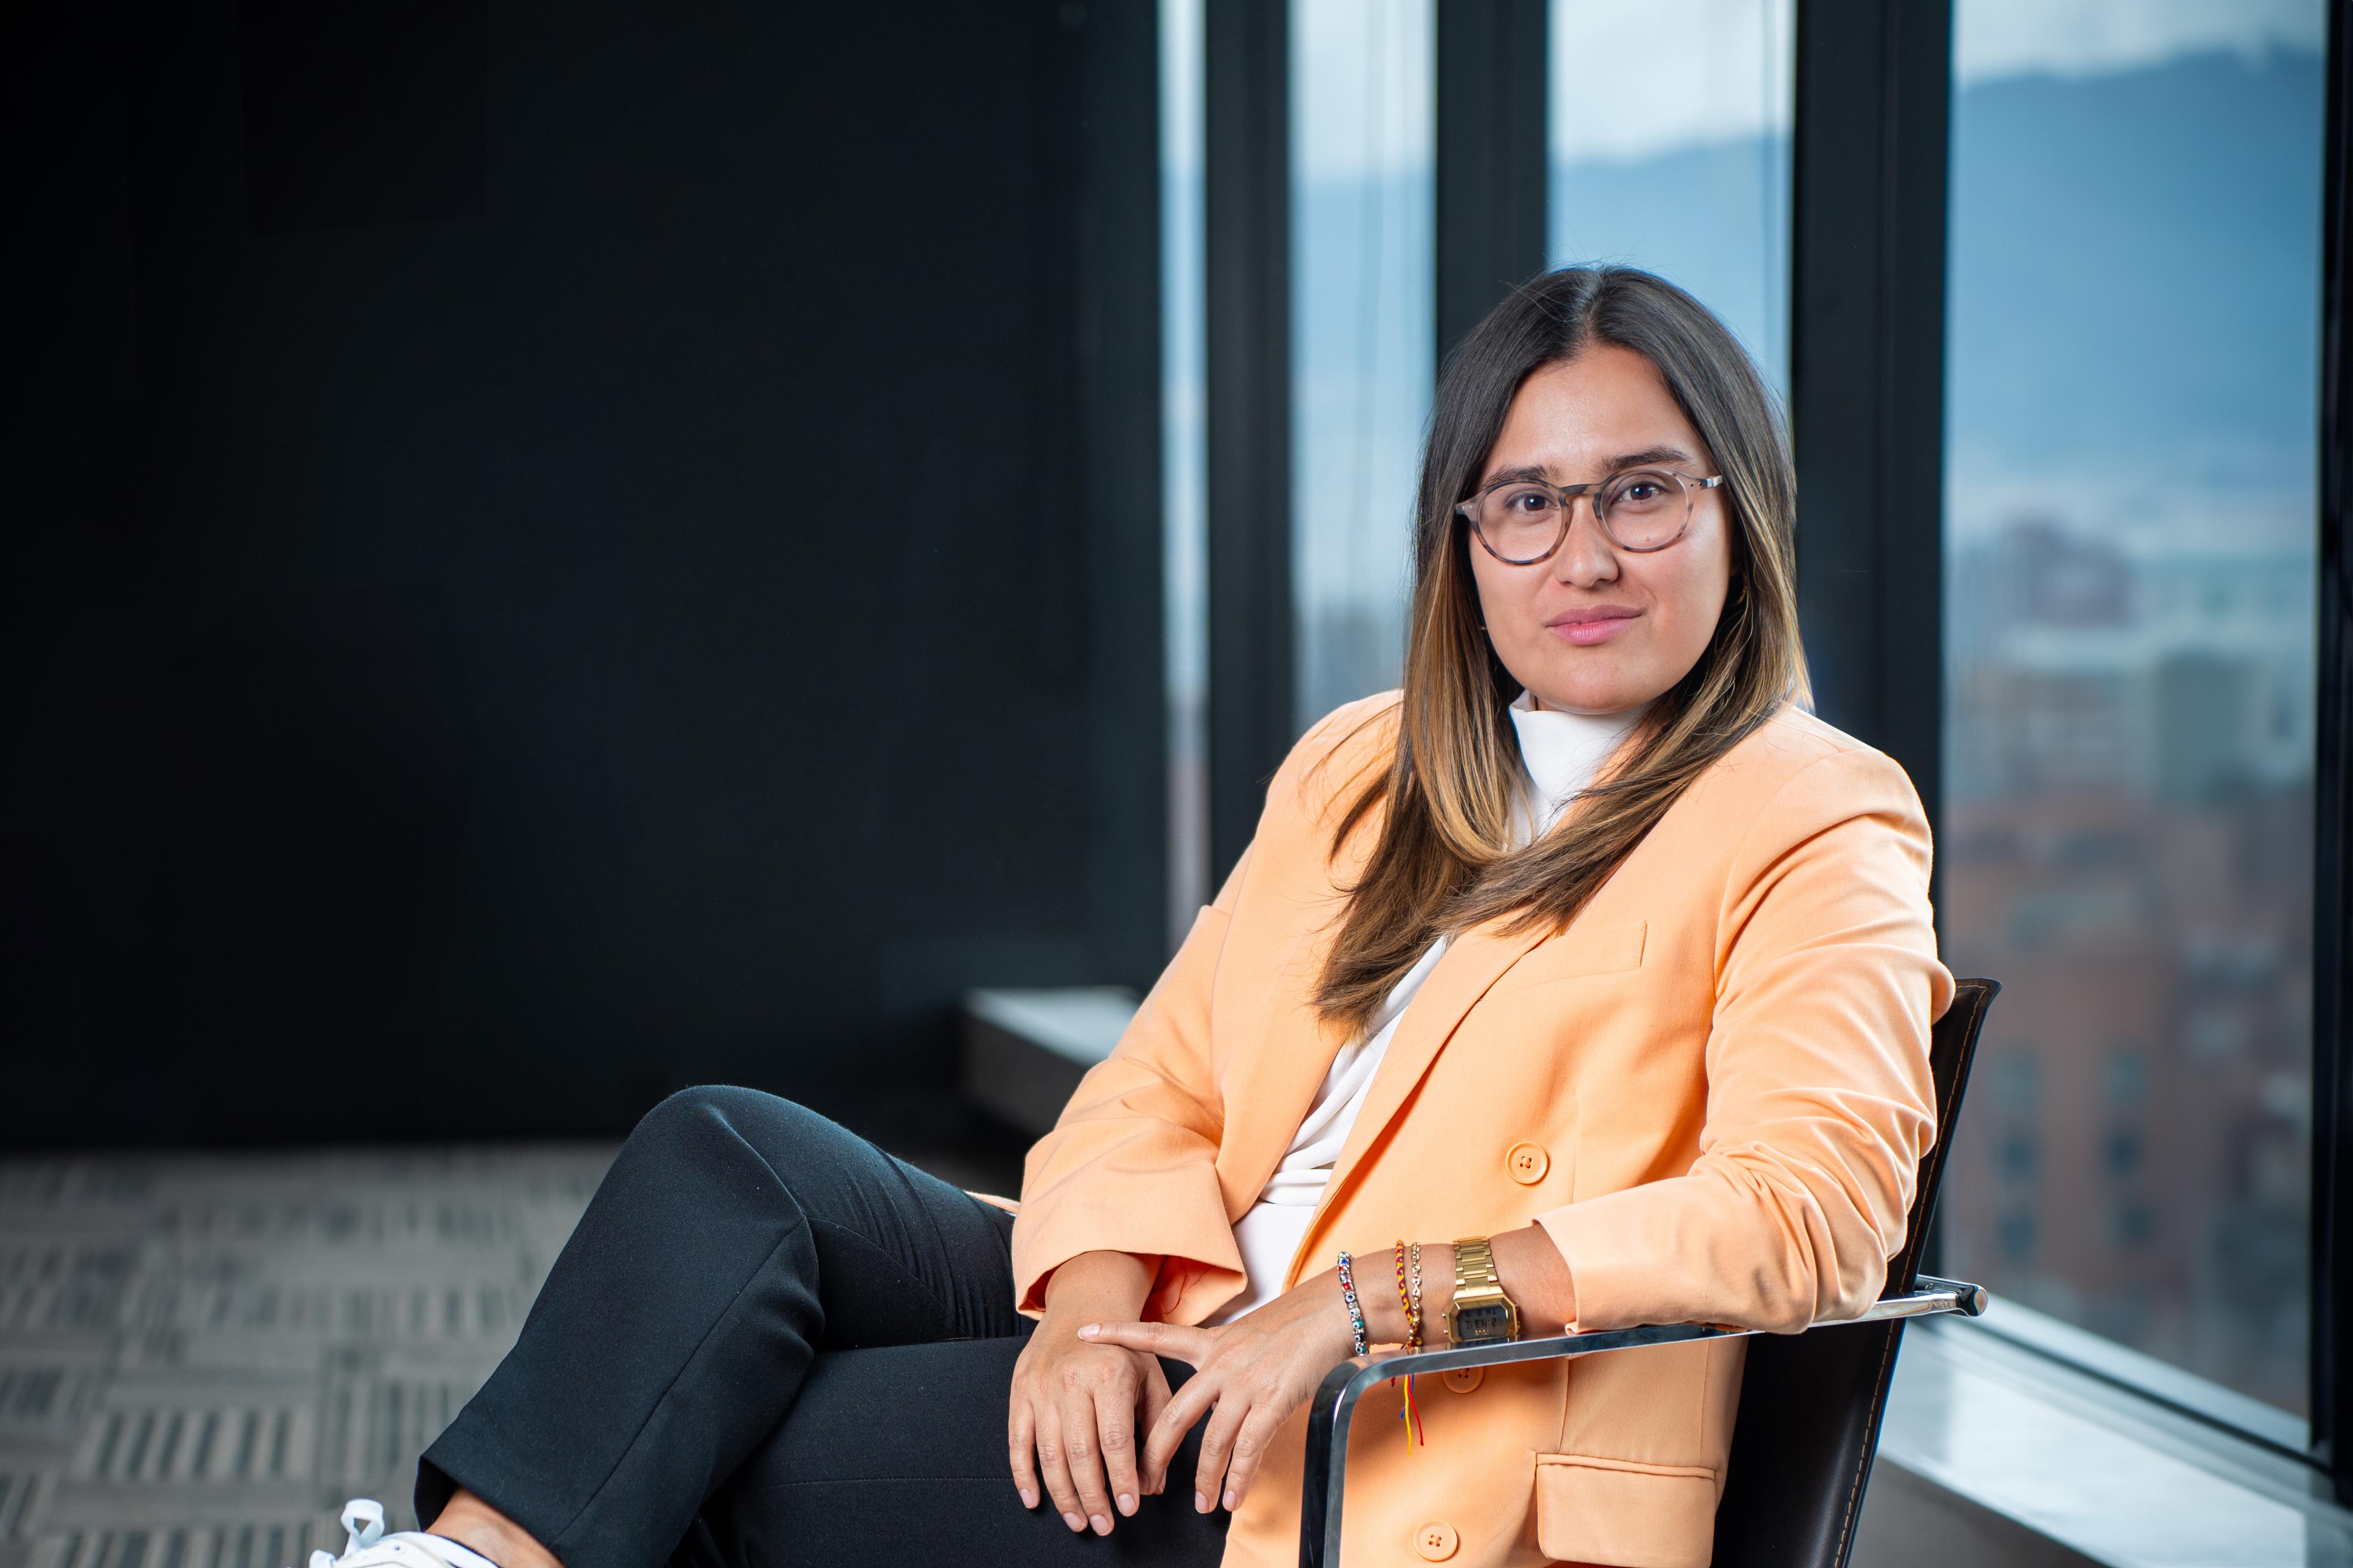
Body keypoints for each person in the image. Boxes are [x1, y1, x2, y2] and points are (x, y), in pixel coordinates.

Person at [309, 266, 1947, 1568]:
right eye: (1527, 502)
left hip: (1364, 1429)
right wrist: (1086, 1312)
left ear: (1741, 511)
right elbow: (1154, 1086)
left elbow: (1810, 1211)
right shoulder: (1368, 769)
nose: (1583, 552)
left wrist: (1374, 1297)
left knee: (732, 1446)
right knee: (724, 1154)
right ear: (1464, 544)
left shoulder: (1813, 809)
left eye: (1642, 492)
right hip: (1187, 1321)